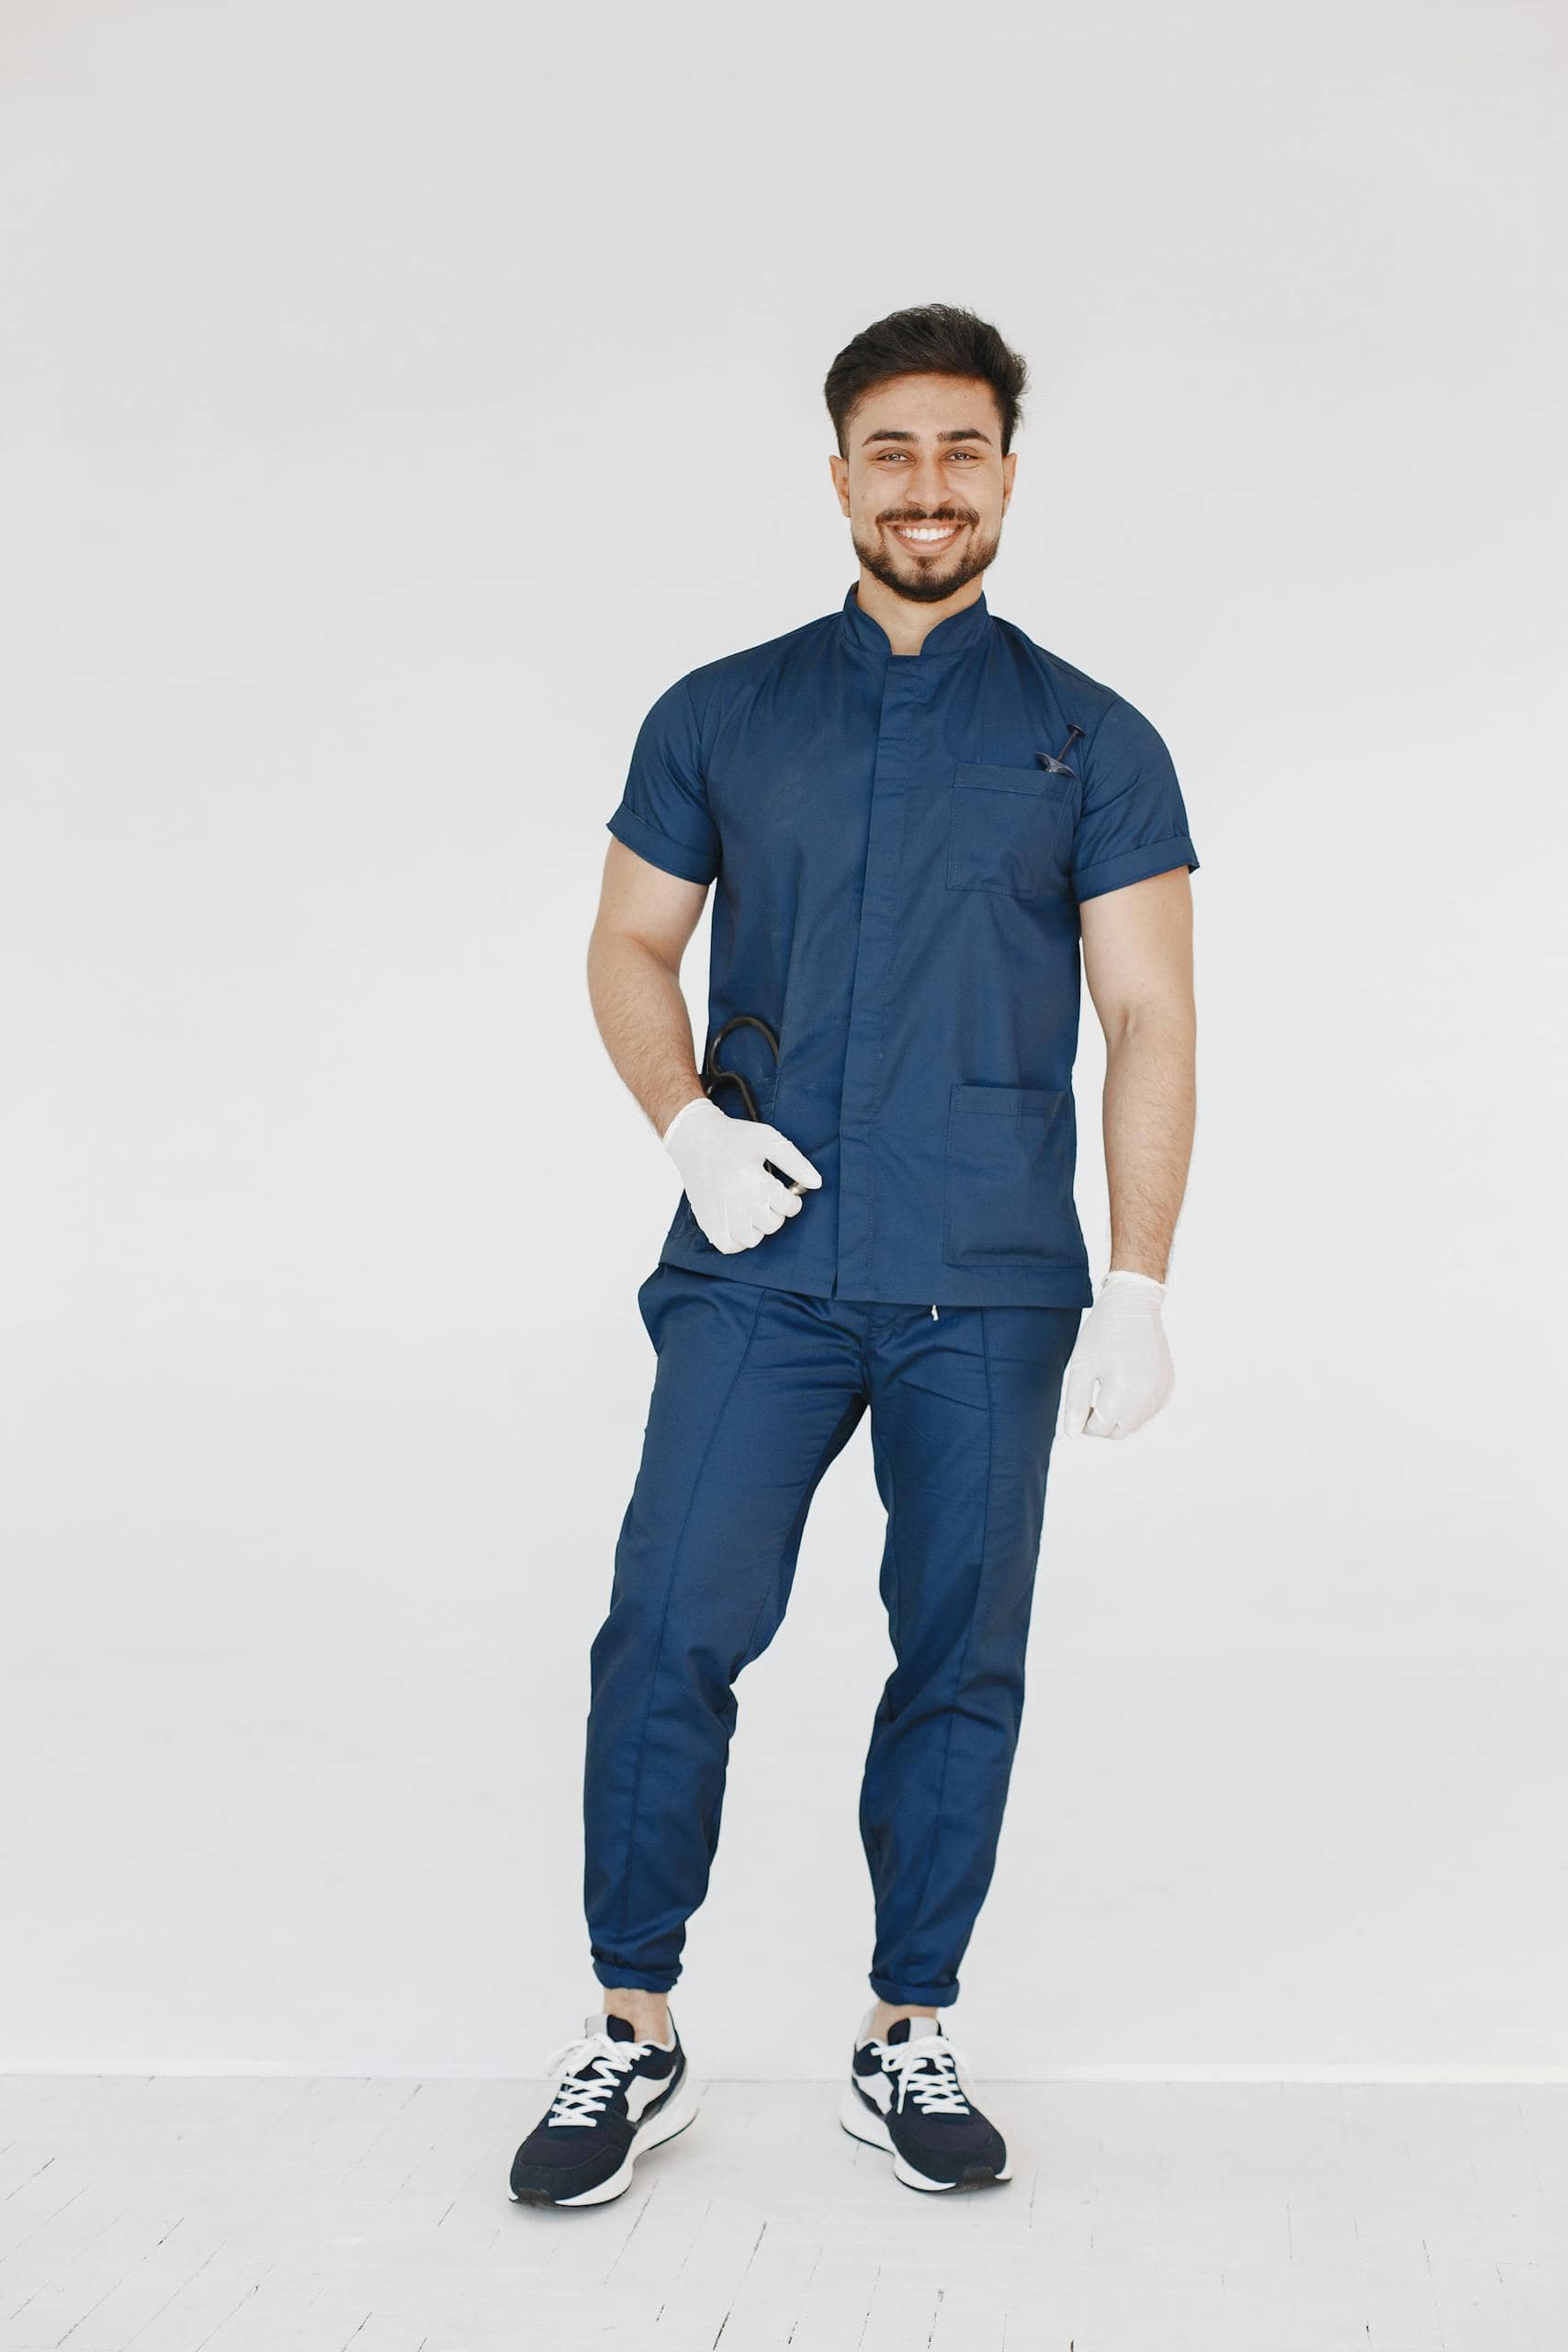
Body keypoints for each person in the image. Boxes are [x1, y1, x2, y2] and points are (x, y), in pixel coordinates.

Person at [509, 304, 1200, 2208]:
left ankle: (906, 2028)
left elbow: (1148, 1015)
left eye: (959, 449)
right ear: (836, 475)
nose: (923, 484)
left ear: (1003, 474)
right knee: (665, 1626)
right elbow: (625, 941)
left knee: (958, 1655)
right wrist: (682, 1128)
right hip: (758, 1261)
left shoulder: (1090, 735)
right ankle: (629, 2033)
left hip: (986, 1274)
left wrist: (1136, 1277)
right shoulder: (720, 711)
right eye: (888, 450)